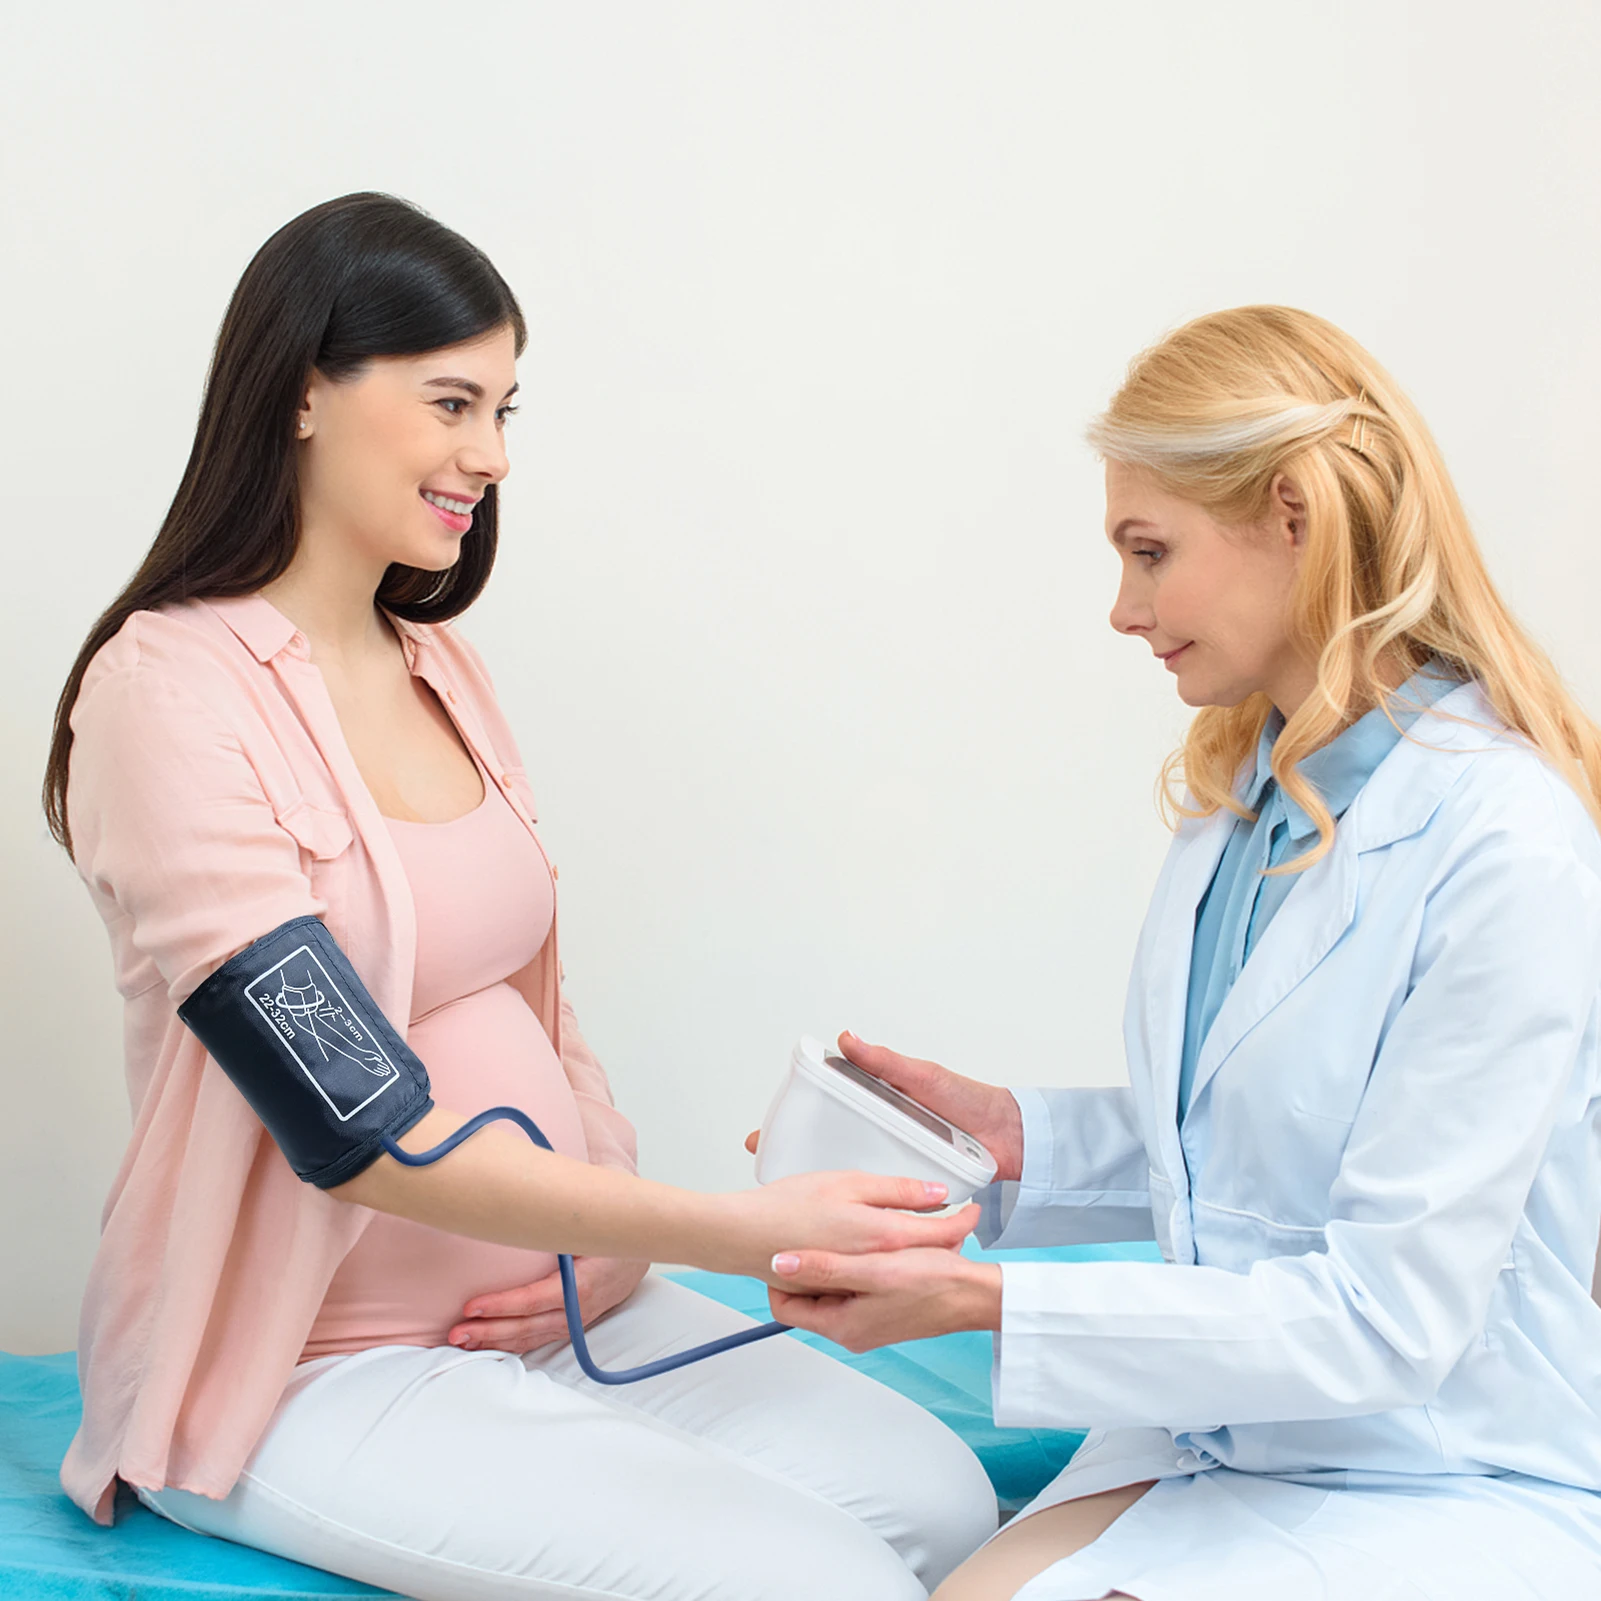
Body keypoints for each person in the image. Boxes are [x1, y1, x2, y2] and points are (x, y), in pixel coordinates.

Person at [42, 192, 998, 1601]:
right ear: (302, 392)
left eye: (503, 409)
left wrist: (598, 1238)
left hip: (553, 1306)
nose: (489, 454)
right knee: (823, 1580)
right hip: (322, 1367)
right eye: (451, 403)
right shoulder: (165, 695)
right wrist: (731, 1229)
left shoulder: (441, 666)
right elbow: (346, 1119)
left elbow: (538, 1006)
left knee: (946, 1505)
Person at [762, 306, 1601, 1599]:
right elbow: (1255, 1145)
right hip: (1218, 1421)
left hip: (1436, 1460)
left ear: (1293, 516)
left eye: (1150, 551)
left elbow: (1390, 1319)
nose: (1122, 609)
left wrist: (991, 1305)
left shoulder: (1505, 843)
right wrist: (1008, 1142)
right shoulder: (1248, 796)